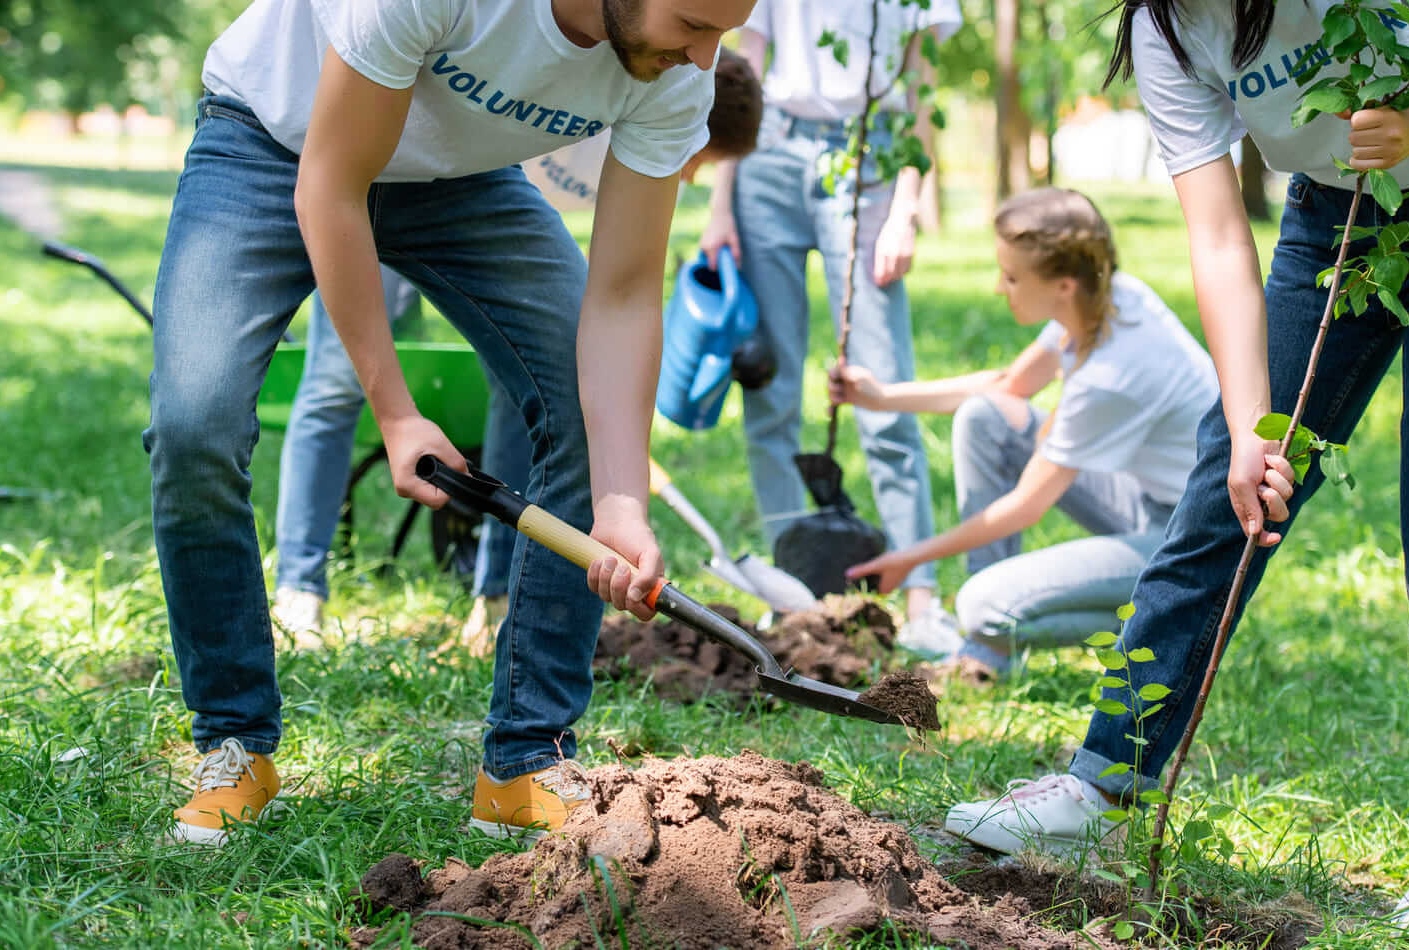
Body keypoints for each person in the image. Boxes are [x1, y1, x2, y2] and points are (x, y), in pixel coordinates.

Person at [944, 1, 1409, 941]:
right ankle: (1099, 780)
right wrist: (1246, 428)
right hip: (1329, 220)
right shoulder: (1167, 29)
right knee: (1218, 502)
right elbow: (1220, 236)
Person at [149, 0, 757, 845]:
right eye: (692, 22)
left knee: (584, 415)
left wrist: (623, 499)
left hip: (458, 181)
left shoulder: (678, 72)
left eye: (721, 29)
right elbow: (332, 185)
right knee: (194, 429)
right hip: (273, 142)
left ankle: (526, 762)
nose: (703, 58)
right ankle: (234, 741)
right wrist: (395, 413)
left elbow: (620, 296)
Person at [271, 54, 766, 647]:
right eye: (701, 161)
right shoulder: (599, 88)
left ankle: (496, 594)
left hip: (474, 208)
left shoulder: (645, 132)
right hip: (384, 166)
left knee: (521, 383)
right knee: (337, 377)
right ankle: (300, 588)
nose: (689, 178)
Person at [831, 188, 1217, 676]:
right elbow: (1007, 387)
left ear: (1064, 285)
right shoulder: (1108, 297)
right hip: (1147, 502)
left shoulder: (1112, 376)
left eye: (1012, 277)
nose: (999, 288)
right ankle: (984, 655)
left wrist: (908, 557)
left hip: (1192, 541)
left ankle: (1190, 622)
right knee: (985, 416)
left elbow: (1024, 507)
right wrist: (881, 396)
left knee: (981, 605)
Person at [698, 0, 964, 655]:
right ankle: (795, 588)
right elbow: (746, 68)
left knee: (882, 387)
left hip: (870, 151)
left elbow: (922, 87)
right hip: (769, 149)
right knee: (769, 387)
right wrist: (719, 204)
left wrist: (907, 206)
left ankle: (921, 596)